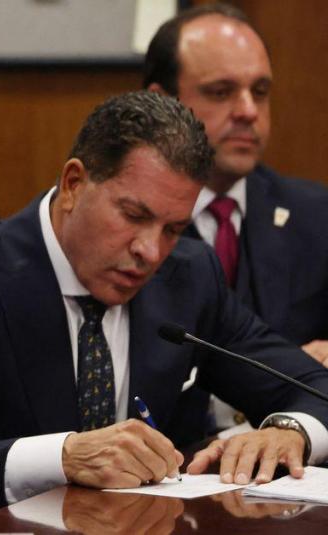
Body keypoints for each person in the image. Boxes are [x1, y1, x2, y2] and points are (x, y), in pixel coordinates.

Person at [0, 91, 328, 531]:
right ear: (73, 184)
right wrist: (66, 457)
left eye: (173, 229)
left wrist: (291, 432)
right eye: (132, 215)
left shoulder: (188, 275)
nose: (151, 251)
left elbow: (312, 385)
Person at [144, 2, 328, 444]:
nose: (248, 110)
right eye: (221, 92)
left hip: (290, 474)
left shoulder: (318, 215)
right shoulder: (127, 228)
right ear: (159, 101)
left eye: (260, 91)